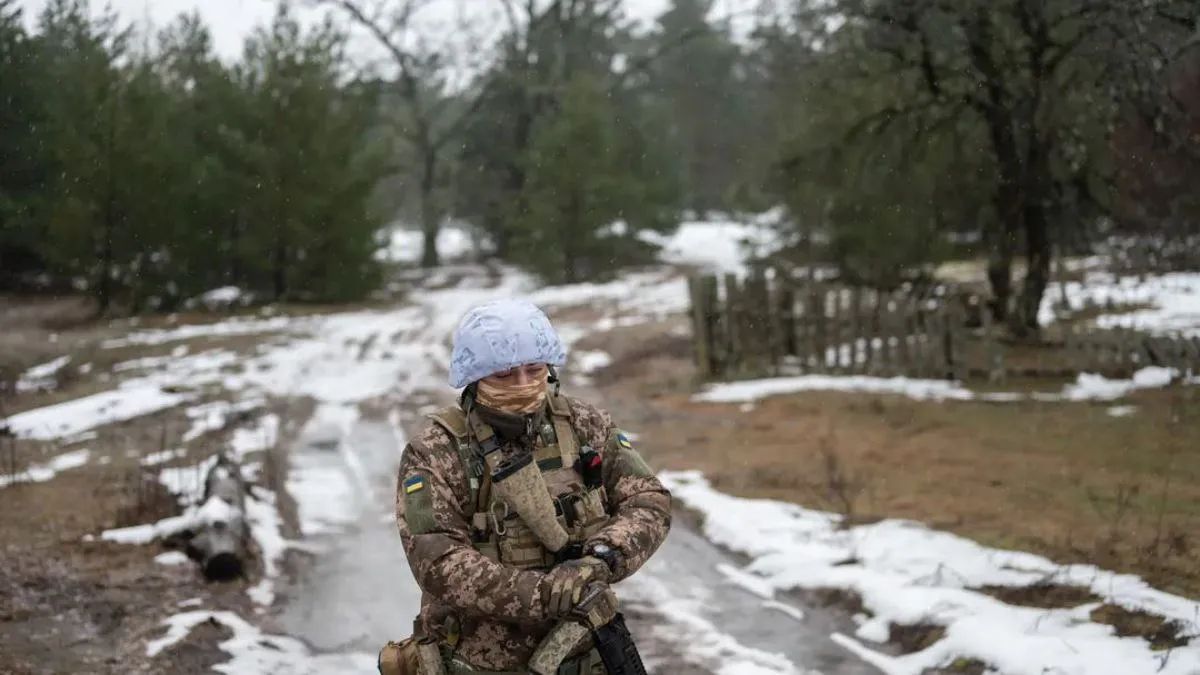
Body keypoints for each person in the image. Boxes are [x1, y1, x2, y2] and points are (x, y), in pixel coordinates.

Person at [392, 298, 672, 674]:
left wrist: (602, 558)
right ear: (474, 377)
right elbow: (437, 562)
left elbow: (647, 500)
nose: (522, 385)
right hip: (480, 663)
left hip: (586, 656)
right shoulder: (436, 451)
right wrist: (542, 594)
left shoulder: (583, 424)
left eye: (533, 369)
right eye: (505, 375)